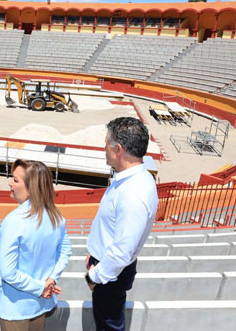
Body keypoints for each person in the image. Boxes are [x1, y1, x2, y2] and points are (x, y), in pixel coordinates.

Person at [85, 117, 159, 331]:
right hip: (106, 264)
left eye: (106, 144)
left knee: (109, 324)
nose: (104, 148)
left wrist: (95, 276)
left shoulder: (132, 194)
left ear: (118, 149)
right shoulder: (132, 179)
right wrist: (94, 252)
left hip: (109, 274)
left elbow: (122, 251)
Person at [0, 159, 72, 331]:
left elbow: (8, 273)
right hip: (40, 304)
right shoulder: (56, 216)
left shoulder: (14, 221)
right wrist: (51, 280)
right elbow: (65, 252)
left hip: (14, 307)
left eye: (16, 180)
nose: (10, 183)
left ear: (30, 188)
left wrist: (41, 287)